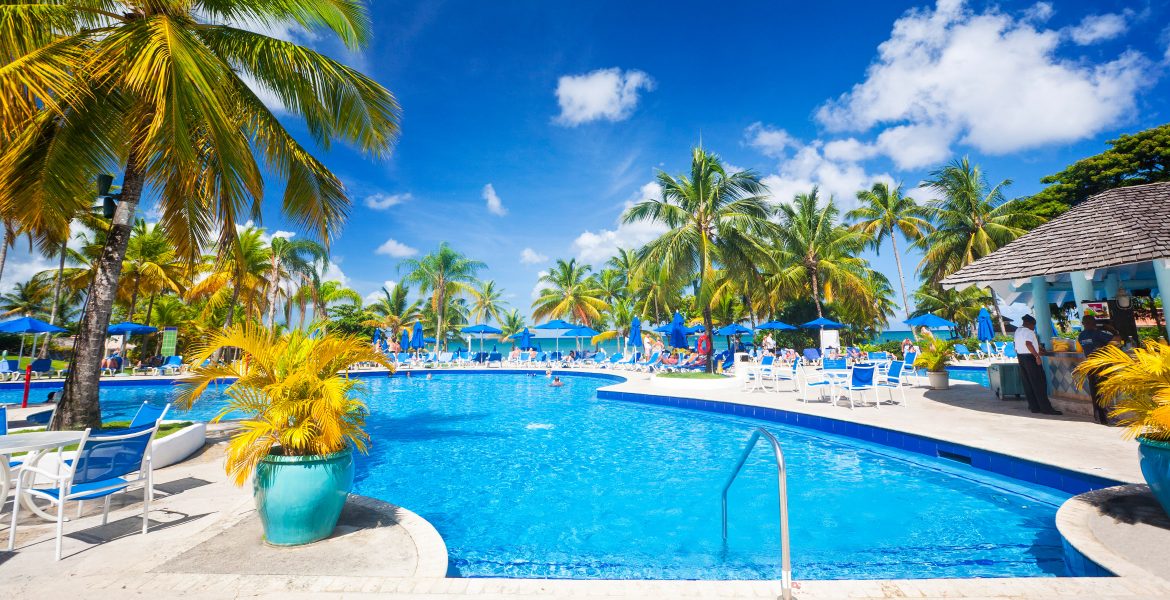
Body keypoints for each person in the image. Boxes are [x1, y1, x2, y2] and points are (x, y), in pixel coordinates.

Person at [1077, 315, 1122, 425]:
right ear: (1094, 323)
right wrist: (1113, 330)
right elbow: (1117, 339)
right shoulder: (1098, 333)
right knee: (1104, 390)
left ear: (1083, 324)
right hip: (1101, 366)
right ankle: (1107, 417)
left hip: (1089, 365)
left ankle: (1098, 416)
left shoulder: (1081, 336)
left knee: (1095, 391)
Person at [1014, 314, 1062, 415]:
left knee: (1028, 383)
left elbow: (1018, 345)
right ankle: (1046, 408)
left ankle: (1034, 407)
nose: (1034, 327)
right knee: (1039, 383)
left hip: (1021, 357)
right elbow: (1028, 344)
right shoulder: (1029, 332)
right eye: (1033, 325)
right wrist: (1036, 356)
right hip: (1030, 359)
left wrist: (1037, 350)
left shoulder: (1018, 331)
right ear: (1028, 324)